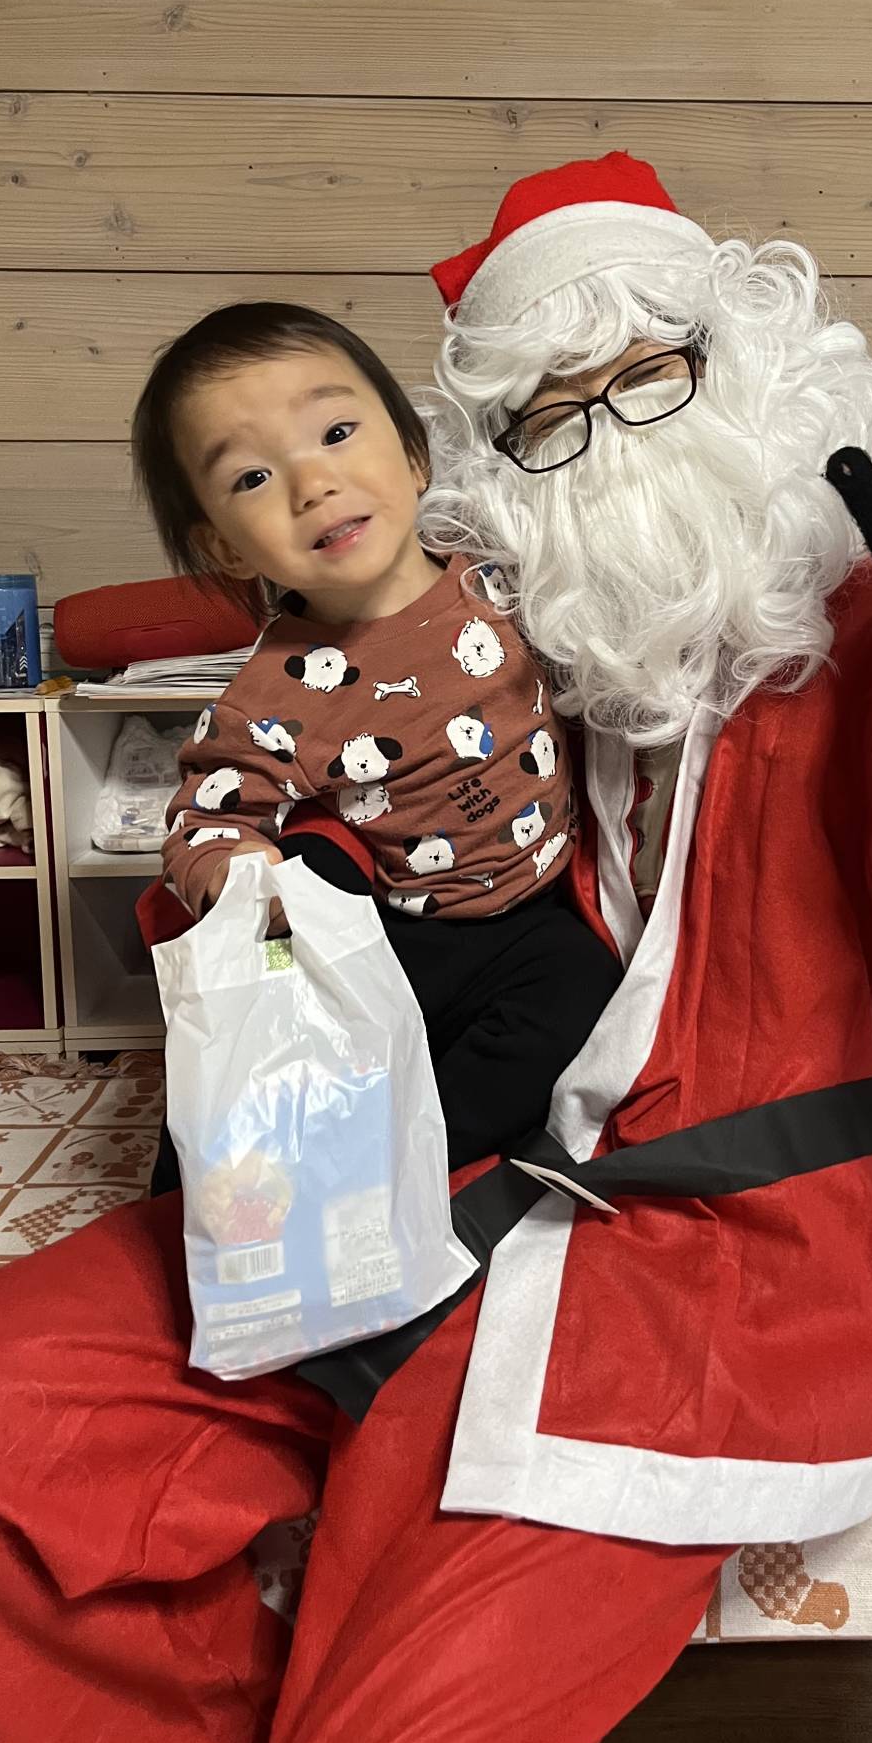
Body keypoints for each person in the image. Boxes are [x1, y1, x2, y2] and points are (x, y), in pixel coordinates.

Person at [0, 153, 872, 1743]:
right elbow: (310, 713)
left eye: (652, 373)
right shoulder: (520, 633)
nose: (612, 435)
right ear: (491, 467)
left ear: (751, 366)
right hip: (390, 1182)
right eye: (551, 413)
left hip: (711, 1275)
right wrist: (295, 873)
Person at [129, 301, 621, 1185]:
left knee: (584, 994)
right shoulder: (272, 695)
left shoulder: (508, 580)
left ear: (415, 455)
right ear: (224, 547)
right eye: (252, 478)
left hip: (537, 915)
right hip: (400, 931)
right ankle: (246, 1179)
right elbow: (203, 820)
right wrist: (244, 875)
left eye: (336, 433)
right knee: (270, 1029)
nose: (312, 484)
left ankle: (401, 1159)